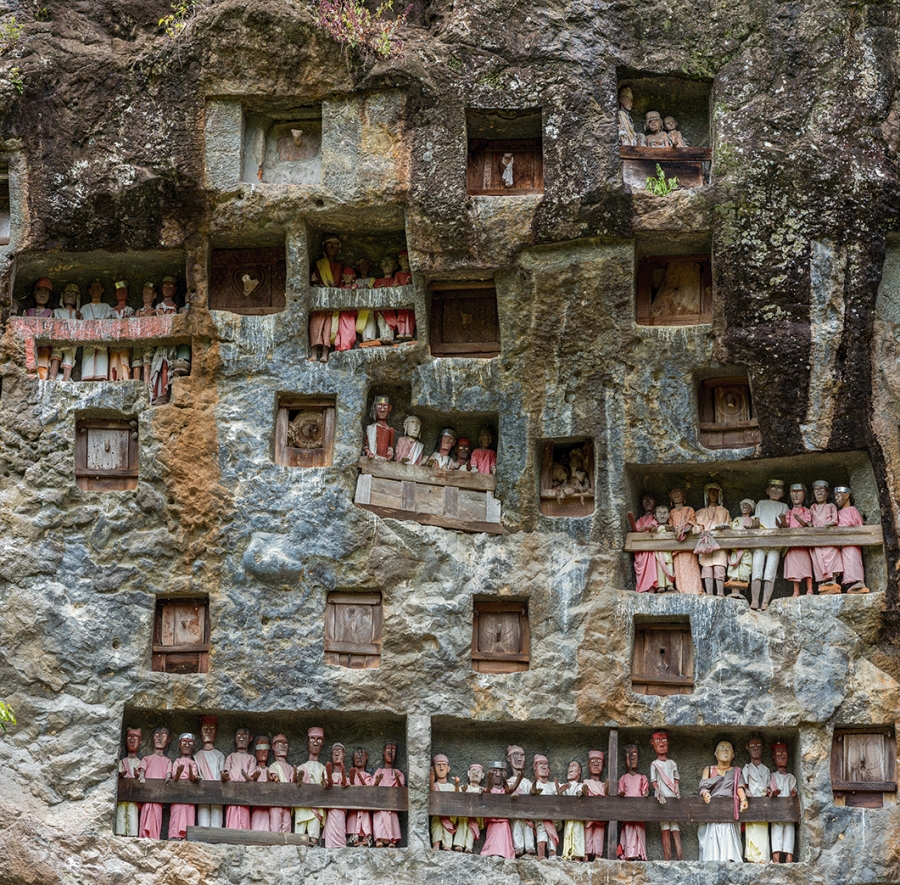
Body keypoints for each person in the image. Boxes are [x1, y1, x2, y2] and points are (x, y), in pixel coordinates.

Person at [698, 740, 747, 862]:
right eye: (722, 747)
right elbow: (703, 786)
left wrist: (744, 799)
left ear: (733, 754)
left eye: (729, 748)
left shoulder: (736, 771)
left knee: (729, 843)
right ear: (715, 753)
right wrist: (705, 794)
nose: (725, 750)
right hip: (713, 813)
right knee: (712, 846)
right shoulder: (708, 770)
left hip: (729, 814)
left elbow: (739, 787)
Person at [752, 480, 789, 610]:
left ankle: (765, 601)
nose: (775, 490)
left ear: (783, 493)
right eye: (772, 487)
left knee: (770, 571)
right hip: (761, 540)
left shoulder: (784, 506)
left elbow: (785, 525)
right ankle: (755, 600)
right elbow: (756, 520)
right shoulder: (761, 503)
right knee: (757, 568)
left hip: (775, 542)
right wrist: (754, 526)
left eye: (779, 489)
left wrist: (781, 522)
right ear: (767, 490)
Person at [650, 730, 682, 860]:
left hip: (673, 797)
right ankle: (667, 857)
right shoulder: (654, 764)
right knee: (665, 826)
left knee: (675, 825)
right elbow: (654, 781)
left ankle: (680, 856)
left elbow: (676, 778)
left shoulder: (672, 763)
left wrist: (677, 789)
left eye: (664, 741)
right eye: (658, 741)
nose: (661, 744)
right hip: (662, 799)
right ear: (652, 744)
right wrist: (658, 792)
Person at [694, 483, 730, 597]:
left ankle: (720, 593)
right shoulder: (700, 512)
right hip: (705, 544)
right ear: (706, 494)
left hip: (719, 544)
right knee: (706, 568)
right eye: (710, 491)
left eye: (716, 491)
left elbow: (730, 525)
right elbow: (697, 526)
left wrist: (724, 527)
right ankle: (709, 594)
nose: (713, 494)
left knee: (719, 568)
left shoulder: (724, 511)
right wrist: (696, 528)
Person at [294, 726, 327, 846]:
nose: (315, 743)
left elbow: (327, 784)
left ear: (322, 742)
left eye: (319, 740)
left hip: (316, 808)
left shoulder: (323, 768)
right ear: (308, 742)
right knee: (298, 839)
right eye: (312, 739)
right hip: (302, 807)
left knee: (314, 838)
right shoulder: (301, 768)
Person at [480, 761, 520, 858]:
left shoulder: (506, 791)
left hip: (504, 820)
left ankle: (503, 852)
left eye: (501, 772)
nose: (498, 774)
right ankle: (491, 851)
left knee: (503, 833)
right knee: (493, 836)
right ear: (490, 774)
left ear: (505, 774)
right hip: (492, 820)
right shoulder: (488, 790)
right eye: (494, 771)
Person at [780, 484, 814, 597]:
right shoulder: (789, 512)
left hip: (803, 543)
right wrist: (782, 520)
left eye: (799, 492)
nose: (796, 495)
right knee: (794, 568)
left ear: (804, 494)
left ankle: (809, 589)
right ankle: (796, 591)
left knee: (806, 566)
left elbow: (807, 524)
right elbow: (786, 526)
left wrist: (801, 521)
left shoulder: (806, 510)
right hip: (792, 544)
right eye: (793, 492)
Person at [138, 725, 172, 839]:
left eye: (163, 735)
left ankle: (154, 837)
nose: (159, 739)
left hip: (158, 798)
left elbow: (169, 774)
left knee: (156, 817)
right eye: (157, 735)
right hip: (147, 795)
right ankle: (143, 836)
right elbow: (142, 770)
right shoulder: (147, 759)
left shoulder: (168, 761)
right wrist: (141, 776)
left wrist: (168, 778)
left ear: (169, 739)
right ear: (152, 738)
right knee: (145, 814)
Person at [742, 734, 771, 863]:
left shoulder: (766, 770)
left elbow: (769, 785)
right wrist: (746, 791)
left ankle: (763, 857)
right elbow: (744, 785)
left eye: (758, 746)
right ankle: (752, 857)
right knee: (752, 831)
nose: (755, 748)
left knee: (762, 830)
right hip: (752, 802)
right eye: (752, 746)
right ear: (747, 747)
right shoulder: (747, 768)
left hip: (763, 803)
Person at [810, 480, 842, 593]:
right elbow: (810, 521)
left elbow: (834, 520)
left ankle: (833, 580)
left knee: (832, 554)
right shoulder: (813, 507)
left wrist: (826, 525)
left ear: (827, 493)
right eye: (816, 490)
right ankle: (823, 582)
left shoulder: (831, 506)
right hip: (818, 538)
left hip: (829, 537)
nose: (818, 492)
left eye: (821, 490)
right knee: (818, 557)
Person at [222, 726, 257, 830]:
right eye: (239, 736)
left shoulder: (251, 758)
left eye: (245, 736)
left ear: (250, 738)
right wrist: (226, 776)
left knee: (244, 813)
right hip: (232, 791)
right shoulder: (231, 756)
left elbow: (250, 776)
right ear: (234, 739)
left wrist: (247, 778)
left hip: (244, 792)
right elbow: (226, 771)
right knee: (231, 813)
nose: (241, 738)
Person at [617, 743, 648, 860]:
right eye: (629, 755)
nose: (632, 757)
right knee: (628, 831)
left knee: (639, 831)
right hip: (628, 811)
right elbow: (620, 790)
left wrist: (646, 793)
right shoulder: (623, 778)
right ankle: (629, 854)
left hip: (639, 810)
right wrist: (621, 793)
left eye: (635, 754)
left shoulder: (642, 777)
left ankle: (639, 853)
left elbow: (645, 790)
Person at [768, 741, 798, 863]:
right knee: (776, 836)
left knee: (789, 836)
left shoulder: (791, 777)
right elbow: (769, 790)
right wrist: (772, 793)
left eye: (784, 753)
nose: (782, 756)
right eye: (778, 753)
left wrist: (793, 793)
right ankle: (776, 861)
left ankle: (789, 861)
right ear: (773, 757)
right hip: (776, 811)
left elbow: (794, 790)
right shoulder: (772, 776)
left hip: (789, 812)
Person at [668, 487, 701, 593]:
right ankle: (681, 590)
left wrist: (686, 529)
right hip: (677, 547)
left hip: (688, 545)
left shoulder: (689, 510)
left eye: (679, 493)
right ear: (670, 496)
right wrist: (675, 530)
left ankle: (696, 590)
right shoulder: (671, 513)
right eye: (674, 493)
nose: (677, 495)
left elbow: (693, 522)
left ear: (684, 495)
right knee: (679, 570)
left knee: (691, 568)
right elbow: (670, 526)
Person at [835, 486, 868, 592]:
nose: (836, 499)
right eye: (835, 496)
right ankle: (850, 584)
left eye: (838, 495)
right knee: (846, 564)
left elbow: (859, 525)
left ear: (847, 495)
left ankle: (859, 581)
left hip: (853, 542)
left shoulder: (852, 510)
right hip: (844, 544)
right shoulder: (838, 513)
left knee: (854, 560)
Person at [168, 733, 200, 840]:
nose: (187, 745)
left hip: (189, 796)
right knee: (176, 814)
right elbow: (175, 778)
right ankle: (174, 835)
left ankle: (186, 836)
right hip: (178, 794)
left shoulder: (194, 763)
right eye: (184, 742)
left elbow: (192, 779)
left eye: (190, 742)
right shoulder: (177, 761)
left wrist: (190, 770)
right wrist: (179, 771)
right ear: (179, 745)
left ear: (194, 746)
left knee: (189, 814)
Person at [80, 280, 114, 381]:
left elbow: (110, 321)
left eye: (98, 288)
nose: (95, 291)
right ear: (89, 291)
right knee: (88, 359)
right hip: (88, 340)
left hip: (102, 340)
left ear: (102, 290)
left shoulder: (107, 307)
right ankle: (87, 377)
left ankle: (102, 376)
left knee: (101, 359)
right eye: (93, 288)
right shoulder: (84, 308)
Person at [195, 714, 225, 828]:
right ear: (200, 731)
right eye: (205, 728)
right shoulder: (197, 756)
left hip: (217, 791)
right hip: (202, 791)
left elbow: (222, 773)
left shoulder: (219, 755)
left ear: (216, 732)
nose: (208, 731)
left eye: (211, 728)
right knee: (203, 822)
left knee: (217, 822)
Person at [372, 740, 404, 847]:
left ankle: (392, 840)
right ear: (383, 752)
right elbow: (372, 788)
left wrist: (397, 779)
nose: (390, 753)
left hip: (391, 803)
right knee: (379, 820)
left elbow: (401, 789)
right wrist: (377, 781)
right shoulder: (379, 771)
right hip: (379, 803)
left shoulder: (398, 773)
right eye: (388, 750)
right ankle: (378, 839)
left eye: (393, 751)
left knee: (392, 820)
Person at [48, 283, 81, 381]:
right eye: (67, 293)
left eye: (73, 293)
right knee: (56, 356)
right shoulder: (57, 311)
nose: (70, 295)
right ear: (62, 295)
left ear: (77, 297)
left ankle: (66, 379)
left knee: (69, 357)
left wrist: (79, 319)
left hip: (72, 339)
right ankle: (52, 376)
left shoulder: (78, 313)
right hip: (58, 338)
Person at [627, 493, 659, 593]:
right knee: (640, 568)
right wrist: (632, 521)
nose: (647, 502)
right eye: (645, 500)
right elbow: (635, 530)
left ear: (655, 503)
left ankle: (651, 589)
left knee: (651, 567)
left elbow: (656, 528)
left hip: (650, 549)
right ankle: (642, 589)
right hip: (640, 550)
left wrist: (649, 528)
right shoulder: (640, 519)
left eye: (650, 500)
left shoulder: (655, 518)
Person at [505, 744, 534, 857]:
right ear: (509, 759)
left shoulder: (527, 782)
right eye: (515, 755)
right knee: (516, 825)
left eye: (522, 755)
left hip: (528, 813)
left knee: (528, 828)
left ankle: (530, 846)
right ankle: (518, 846)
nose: (519, 758)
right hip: (515, 813)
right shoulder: (508, 781)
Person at [24, 278, 54, 379]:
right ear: (34, 293)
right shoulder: (28, 312)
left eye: (46, 292)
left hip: (44, 347)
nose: (42, 294)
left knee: (42, 365)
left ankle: (42, 378)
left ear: (49, 296)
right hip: (29, 346)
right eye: (40, 291)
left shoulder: (51, 313)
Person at [530, 754, 559, 858]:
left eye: (545, 764)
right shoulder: (532, 784)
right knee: (541, 837)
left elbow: (559, 794)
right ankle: (541, 857)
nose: (543, 767)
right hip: (540, 818)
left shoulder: (553, 785)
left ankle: (553, 856)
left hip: (552, 818)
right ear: (535, 767)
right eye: (540, 764)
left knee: (552, 839)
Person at [726, 499, 756, 597]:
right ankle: (734, 592)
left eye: (747, 505)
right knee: (734, 573)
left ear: (751, 509)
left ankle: (740, 594)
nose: (744, 507)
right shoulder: (736, 519)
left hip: (745, 551)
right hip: (735, 549)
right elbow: (731, 529)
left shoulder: (753, 519)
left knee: (744, 571)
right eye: (742, 505)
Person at [322, 743, 350, 848]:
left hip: (341, 811)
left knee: (340, 829)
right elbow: (325, 785)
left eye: (339, 751)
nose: (337, 753)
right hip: (331, 810)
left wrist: (343, 772)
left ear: (344, 755)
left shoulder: (347, 778)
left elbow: (346, 784)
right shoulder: (329, 775)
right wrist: (328, 779)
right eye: (334, 751)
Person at [115, 727, 142, 837]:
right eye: (129, 737)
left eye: (135, 737)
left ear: (140, 742)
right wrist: (120, 776)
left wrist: (138, 776)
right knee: (120, 813)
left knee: (132, 813)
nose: (132, 740)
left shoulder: (140, 762)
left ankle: (132, 834)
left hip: (134, 795)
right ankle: (120, 833)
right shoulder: (122, 762)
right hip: (122, 793)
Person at [452, 763, 484, 853]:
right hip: (464, 813)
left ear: (482, 776)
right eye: (473, 772)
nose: (476, 774)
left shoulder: (481, 789)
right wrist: (461, 789)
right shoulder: (465, 787)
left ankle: (468, 846)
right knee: (462, 825)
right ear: (468, 773)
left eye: (478, 772)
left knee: (472, 829)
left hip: (475, 814)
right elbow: (457, 795)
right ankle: (459, 844)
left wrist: (482, 793)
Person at [582, 750, 607, 860]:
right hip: (588, 817)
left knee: (599, 836)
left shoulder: (604, 785)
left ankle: (598, 858)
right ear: (588, 764)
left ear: (603, 764)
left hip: (600, 817)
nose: (596, 764)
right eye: (593, 761)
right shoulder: (585, 782)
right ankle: (585, 858)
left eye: (599, 761)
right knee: (587, 836)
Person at [267, 734, 294, 834]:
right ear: (273, 747)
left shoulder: (290, 768)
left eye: (285, 743)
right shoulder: (273, 766)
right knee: (275, 823)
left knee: (287, 824)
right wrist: (275, 778)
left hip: (287, 801)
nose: (283, 745)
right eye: (280, 743)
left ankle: (286, 845)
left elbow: (293, 781)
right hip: (276, 801)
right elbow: (274, 776)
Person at [346, 746, 373, 846]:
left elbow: (368, 789)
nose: (359, 757)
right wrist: (352, 778)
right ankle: (354, 838)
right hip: (353, 806)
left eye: (361, 754)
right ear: (352, 758)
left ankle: (365, 839)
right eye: (356, 755)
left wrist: (359, 775)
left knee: (365, 821)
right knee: (353, 819)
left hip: (365, 806)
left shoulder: (368, 776)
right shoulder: (350, 775)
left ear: (366, 757)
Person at [558, 760, 584, 861]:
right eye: (569, 766)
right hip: (568, 816)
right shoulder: (564, 786)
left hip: (578, 816)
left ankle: (577, 857)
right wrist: (560, 793)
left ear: (579, 771)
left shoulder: (580, 785)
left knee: (577, 834)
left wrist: (581, 793)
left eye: (574, 766)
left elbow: (583, 792)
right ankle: (567, 855)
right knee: (568, 833)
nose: (570, 768)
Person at [430, 754, 457, 850]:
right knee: (436, 825)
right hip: (437, 812)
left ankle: (447, 845)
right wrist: (432, 779)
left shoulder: (450, 786)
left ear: (448, 768)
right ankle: (436, 844)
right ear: (433, 768)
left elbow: (456, 797)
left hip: (448, 814)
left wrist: (457, 785)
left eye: (444, 765)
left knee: (448, 826)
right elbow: (432, 793)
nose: (441, 768)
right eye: (438, 765)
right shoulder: (435, 785)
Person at [132, 283, 157, 384]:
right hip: (138, 340)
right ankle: (136, 383)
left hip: (149, 340)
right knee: (136, 362)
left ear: (154, 295)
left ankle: (147, 384)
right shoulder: (138, 311)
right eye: (144, 292)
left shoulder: (155, 312)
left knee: (147, 362)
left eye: (149, 292)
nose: (146, 295)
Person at [109, 281, 133, 381]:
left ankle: (125, 380)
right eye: (118, 290)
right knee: (113, 363)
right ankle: (112, 380)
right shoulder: (111, 311)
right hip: (114, 342)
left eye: (123, 290)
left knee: (124, 361)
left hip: (124, 342)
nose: (121, 292)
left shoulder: (130, 310)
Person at [249, 736, 271, 831]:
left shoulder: (271, 770)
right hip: (256, 805)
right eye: (259, 748)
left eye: (265, 748)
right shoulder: (253, 770)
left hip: (268, 805)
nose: (263, 751)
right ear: (255, 752)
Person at [363, 395, 395, 460]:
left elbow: (390, 447)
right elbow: (365, 446)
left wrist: (390, 453)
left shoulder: (390, 430)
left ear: (389, 408)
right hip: (373, 459)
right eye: (379, 406)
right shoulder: (370, 428)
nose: (382, 409)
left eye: (385, 406)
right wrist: (369, 452)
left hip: (384, 460)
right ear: (374, 408)